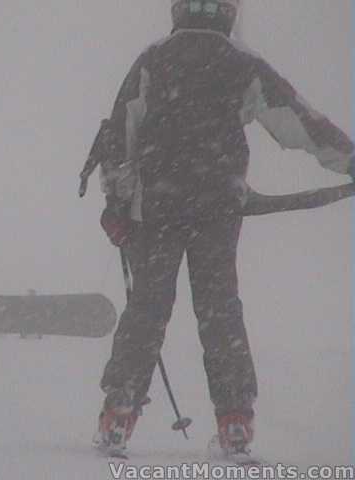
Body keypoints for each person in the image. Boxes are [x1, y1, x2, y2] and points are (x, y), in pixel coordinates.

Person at [88, 0, 355, 459]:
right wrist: (349, 158)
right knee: (219, 309)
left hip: (158, 206)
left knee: (148, 308)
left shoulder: (154, 58)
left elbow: (119, 136)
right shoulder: (241, 63)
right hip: (217, 206)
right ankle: (235, 421)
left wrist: (116, 203)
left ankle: (119, 414)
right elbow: (300, 122)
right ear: (227, 12)